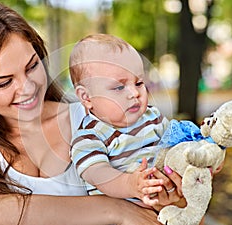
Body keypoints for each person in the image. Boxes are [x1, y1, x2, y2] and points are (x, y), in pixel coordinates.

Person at [0, 1, 183, 225]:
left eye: (32, 66)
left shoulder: (99, 117)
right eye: (4, 83)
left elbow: (178, 210)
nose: (28, 88)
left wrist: (176, 191)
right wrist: (114, 209)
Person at [69, 34, 176, 207]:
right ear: (87, 97)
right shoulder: (89, 137)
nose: (134, 93)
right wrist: (131, 185)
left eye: (139, 83)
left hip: (165, 207)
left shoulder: (153, 118)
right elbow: (99, 174)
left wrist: (202, 157)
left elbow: (179, 145)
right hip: (121, 215)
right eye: (119, 87)